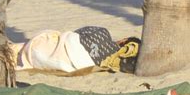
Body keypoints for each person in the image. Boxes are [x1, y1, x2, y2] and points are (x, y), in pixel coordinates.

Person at [11, 26, 140, 74]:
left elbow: (77, 33)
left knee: (52, 37)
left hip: (61, 50)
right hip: (66, 65)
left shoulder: (102, 33)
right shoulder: (102, 65)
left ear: (123, 41)